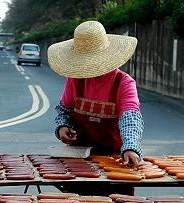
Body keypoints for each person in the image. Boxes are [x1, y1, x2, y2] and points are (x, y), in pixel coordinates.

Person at [47, 21, 143, 169]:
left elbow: (130, 119)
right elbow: (63, 112)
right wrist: (62, 127)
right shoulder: (75, 80)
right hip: (78, 160)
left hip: (116, 160)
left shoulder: (123, 83)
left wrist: (130, 146)